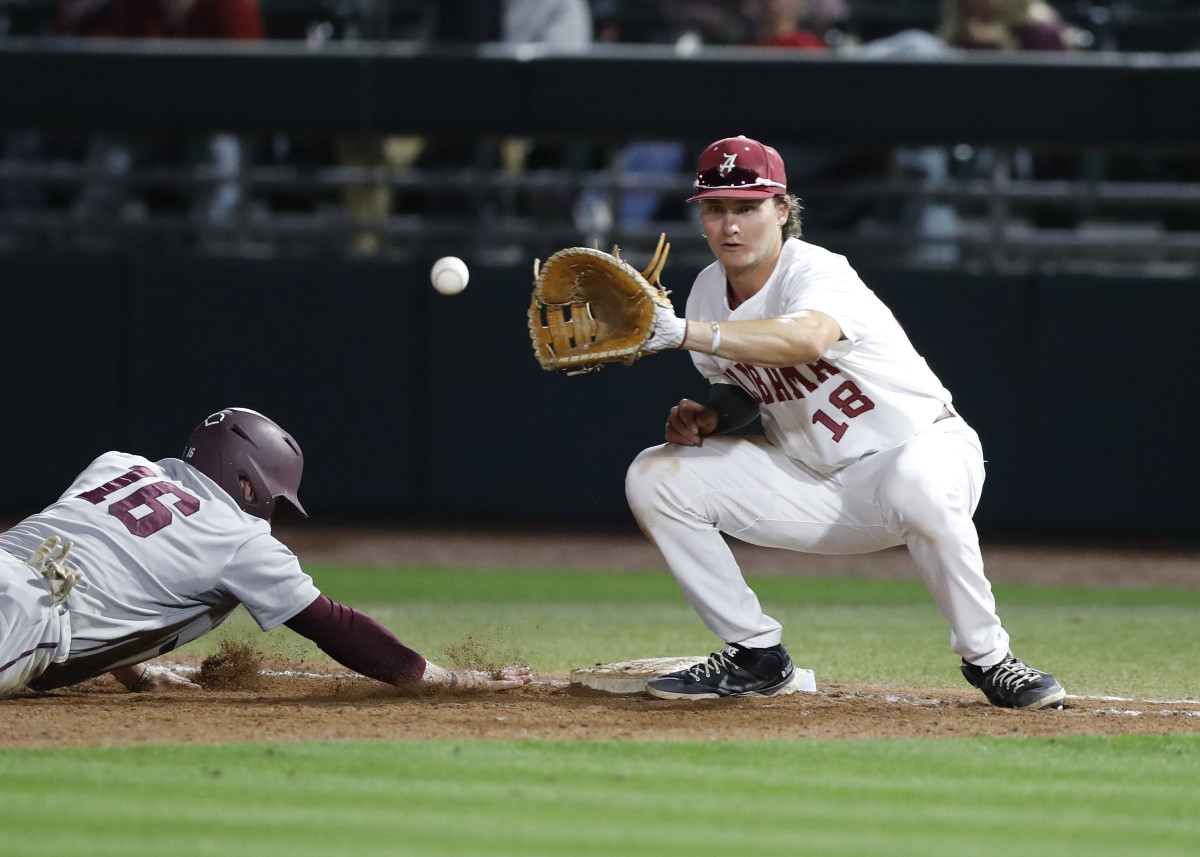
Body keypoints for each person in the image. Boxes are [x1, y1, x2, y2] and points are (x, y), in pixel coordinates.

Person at [625, 135, 1066, 710]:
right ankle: (757, 655)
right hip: (816, 482)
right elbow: (740, 389)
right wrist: (713, 414)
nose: (730, 224)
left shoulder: (818, 271)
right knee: (656, 475)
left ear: (782, 211)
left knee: (918, 484)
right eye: (716, 208)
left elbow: (805, 337)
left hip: (922, 450)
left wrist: (684, 331)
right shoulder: (709, 290)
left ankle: (990, 659)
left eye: (747, 207)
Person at [0, 408, 532, 698]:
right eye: (274, 499)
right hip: (25, 613)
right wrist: (452, 679)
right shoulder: (241, 538)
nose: (270, 514)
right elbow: (335, 626)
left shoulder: (115, 465)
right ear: (248, 486)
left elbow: (106, 562)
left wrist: (134, 672)